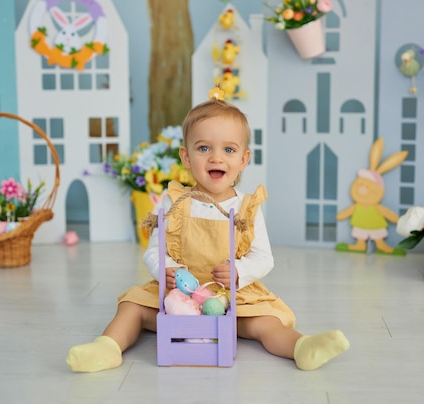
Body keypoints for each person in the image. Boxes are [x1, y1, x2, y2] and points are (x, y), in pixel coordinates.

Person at [66, 95, 350, 373]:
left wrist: (238, 272)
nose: (216, 157)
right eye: (204, 148)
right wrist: (165, 267)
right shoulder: (174, 202)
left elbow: (264, 258)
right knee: (132, 306)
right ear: (186, 157)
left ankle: (301, 348)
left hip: (230, 297)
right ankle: (107, 348)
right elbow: (154, 249)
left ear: (243, 159)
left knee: (264, 322)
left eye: (229, 150)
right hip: (177, 296)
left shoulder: (246, 207)